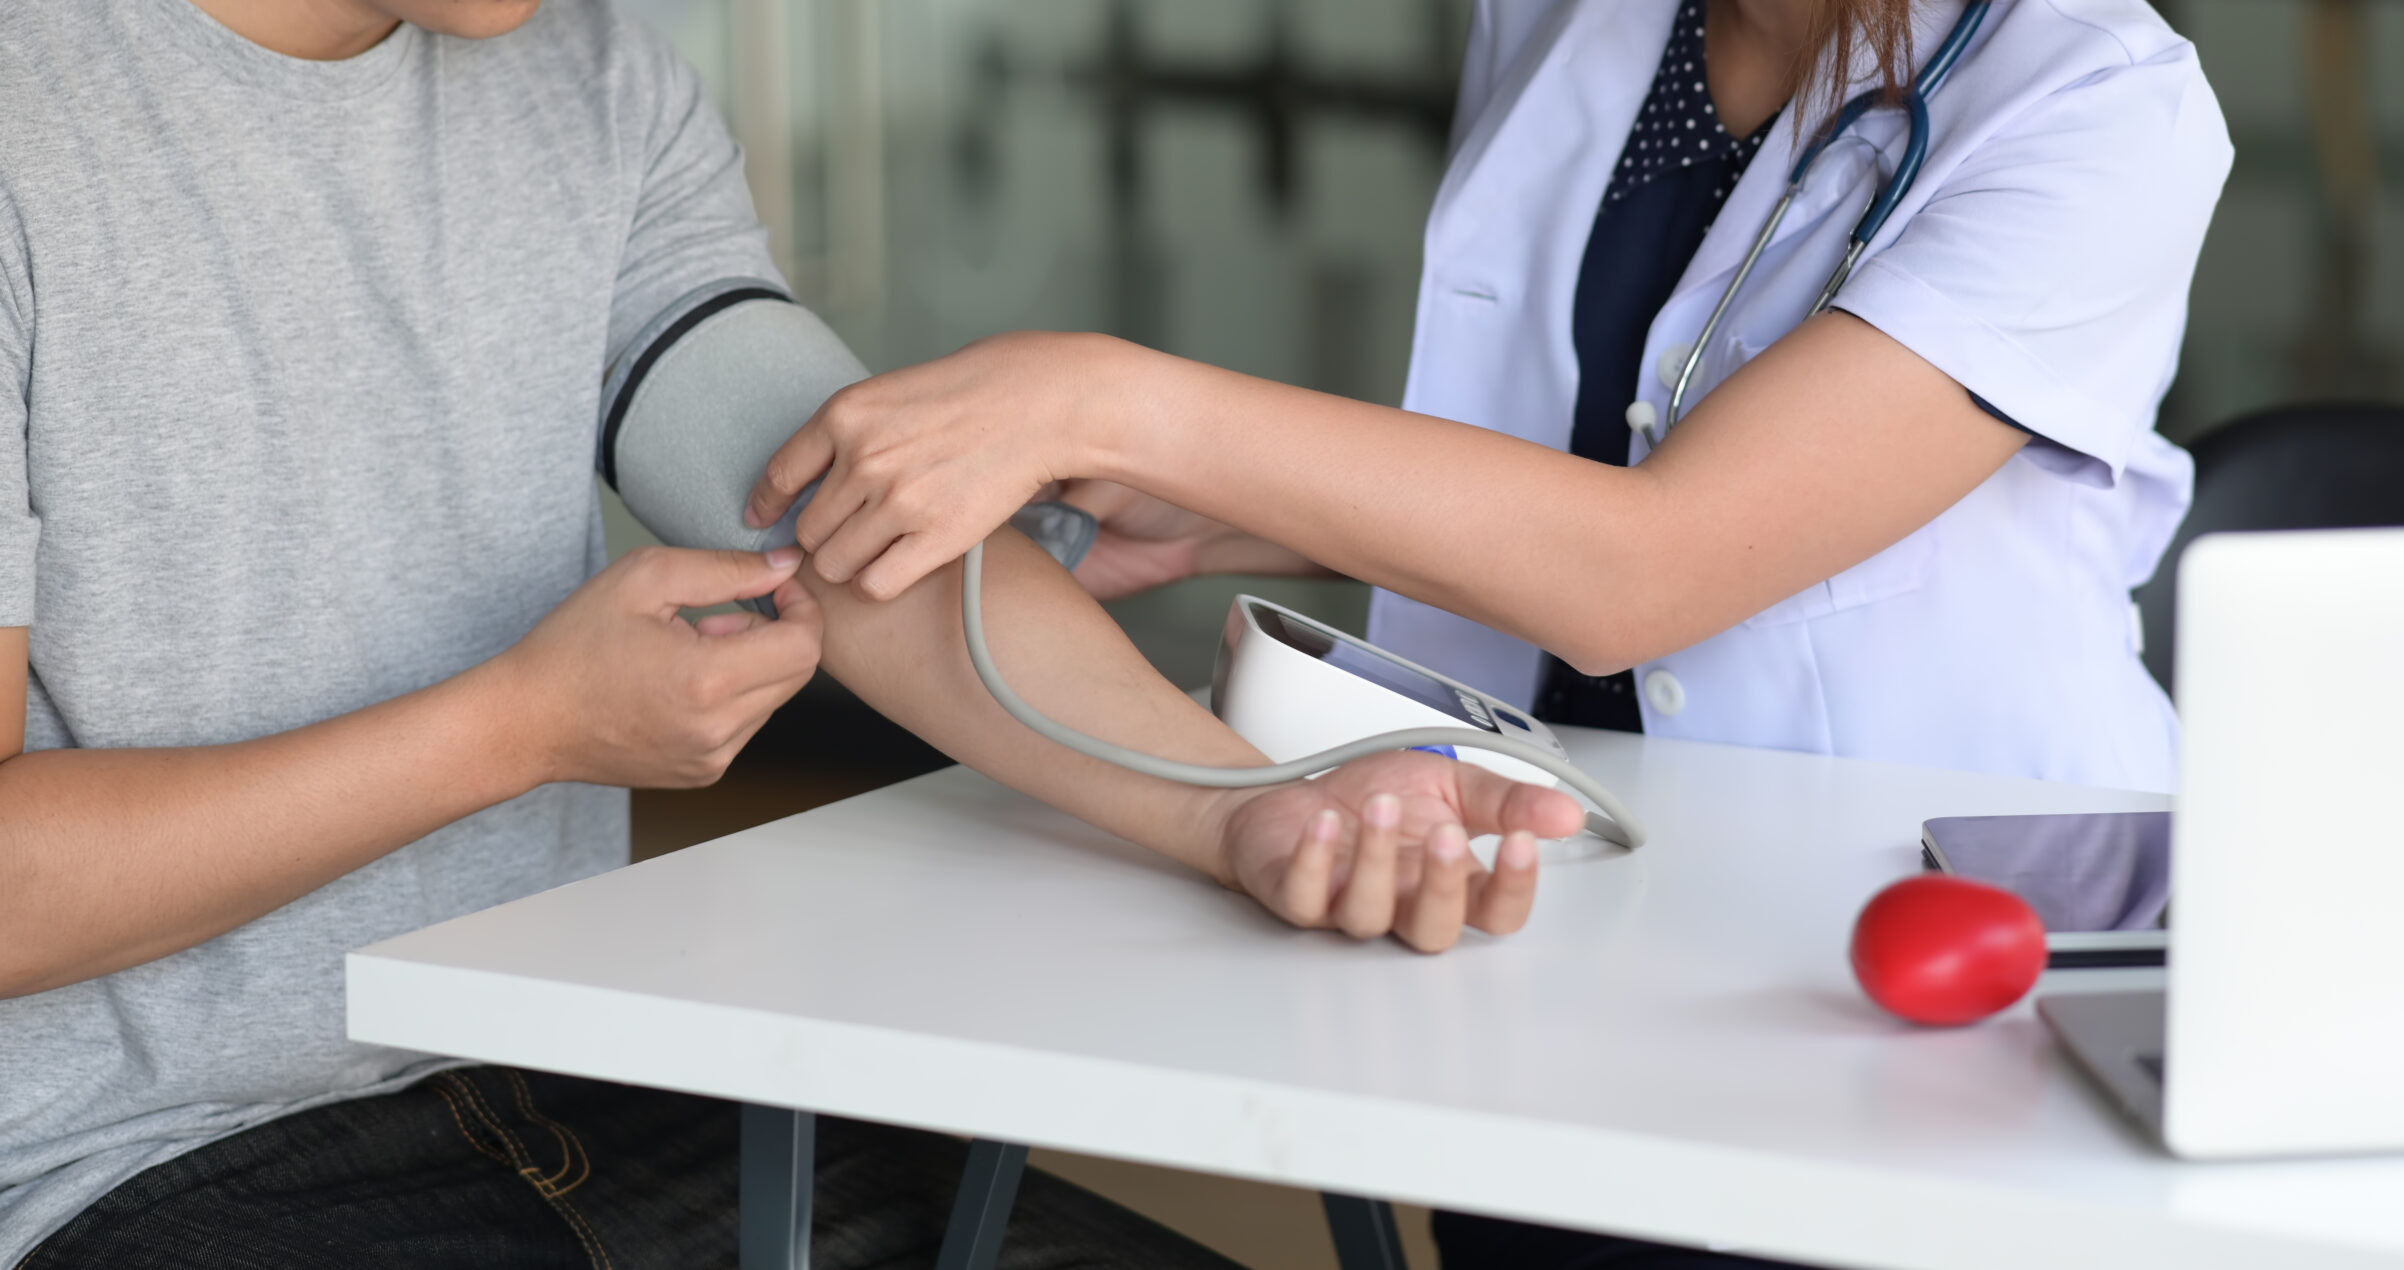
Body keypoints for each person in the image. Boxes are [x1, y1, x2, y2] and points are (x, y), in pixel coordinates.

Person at [0, 1, 1585, 1265]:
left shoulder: (598, 83)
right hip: (127, 1174)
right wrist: (520, 727)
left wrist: (1252, 810)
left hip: (592, 1085)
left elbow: (852, 533)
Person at [743, 0, 2231, 1264]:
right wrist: (1254, 523)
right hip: (1565, 901)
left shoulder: (2101, 105)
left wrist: (1107, 399)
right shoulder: (1581, 22)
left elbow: (1656, 561)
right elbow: (1583, 441)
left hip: (1954, 947)